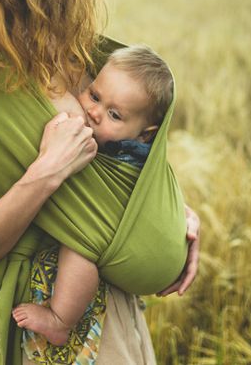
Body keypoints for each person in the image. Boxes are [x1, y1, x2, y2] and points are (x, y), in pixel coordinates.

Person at [0, 0, 200, 364]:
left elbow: (125, 155)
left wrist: (168, 214)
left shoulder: (69, 49)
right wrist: (47, 172)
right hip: (42, 319)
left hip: (115, 313)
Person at [12, 44, 174, 347]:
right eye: (94, 95)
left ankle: (60, 320)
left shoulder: (129, 156)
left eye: (114, 114)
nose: (94, 112)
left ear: (145, 134)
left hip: (109, 233)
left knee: (82, 247)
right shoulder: (109, 127)